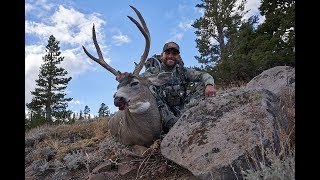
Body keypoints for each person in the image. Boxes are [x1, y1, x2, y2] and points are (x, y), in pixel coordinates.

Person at [141, 42, 217, 133]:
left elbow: (203, 75)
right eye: (167, 53)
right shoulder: (153, 72)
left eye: (174, 54)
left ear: (178, 57)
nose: (170, 56)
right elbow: (137, 81)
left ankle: (186, 117)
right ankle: (169, 123)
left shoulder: (183, 71)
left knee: (203, 85)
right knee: (148, 88)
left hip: (182, 110)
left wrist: (209, 85)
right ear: (162, 56)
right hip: (160, 114)